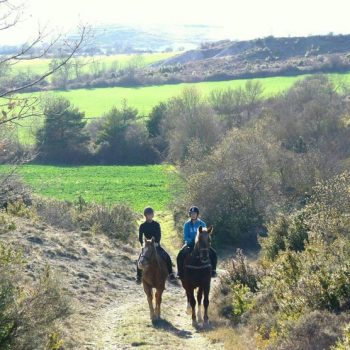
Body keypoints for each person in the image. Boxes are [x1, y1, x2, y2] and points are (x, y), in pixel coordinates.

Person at [136, 207, 176, 284]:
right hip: (147, 246)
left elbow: (159, 235)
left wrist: (156, 242)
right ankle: (138, 276)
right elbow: (140, 237)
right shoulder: (142, 226)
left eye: (151, 214)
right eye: (148, 214)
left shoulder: (156, 224)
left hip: (155, 245)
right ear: (145, 215)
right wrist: (142, 245)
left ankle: (171, 274)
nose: (150, 215)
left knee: (166, 256)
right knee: (140, 259)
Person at [176, 206, 217, 279]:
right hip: (190, 244)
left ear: (197, 214)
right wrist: (191, 241)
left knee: (213, 254)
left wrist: (202, 242)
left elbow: (205, 235)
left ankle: (213, 271)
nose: (193, 215)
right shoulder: (186, 224)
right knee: (180, 255)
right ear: (190, 214)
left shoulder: (202, 224)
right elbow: (185, 236)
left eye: (194, 213)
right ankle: (180, 272)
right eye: (191, 213)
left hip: (201, 245)